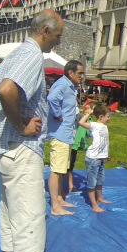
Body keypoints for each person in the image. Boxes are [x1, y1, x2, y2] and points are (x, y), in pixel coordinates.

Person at [0, 9, 66, 252]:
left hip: (4, 150)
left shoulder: (16, 54)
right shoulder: (30, 56)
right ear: (45, 30)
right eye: (58, 35)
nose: (58, 41)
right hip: (21, 150)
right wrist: (19, 124)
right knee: (28, 217)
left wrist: (2, 117)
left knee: (8, 213)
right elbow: (4, 89)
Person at [46, 59, 84, 216]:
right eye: (80, 73)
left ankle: (60, 198)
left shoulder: (71, 86)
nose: (82, 76)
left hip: (67, 133)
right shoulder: (62, 84)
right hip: (60, 133)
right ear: (71, 73)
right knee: (56, 170)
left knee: (62, 169)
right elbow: (51, 98)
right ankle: (55, 206)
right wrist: (57, 114)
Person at [78, 103, 112, 212]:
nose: (109, 118)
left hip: (100, 158)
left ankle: (100, 198)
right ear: (101, 117)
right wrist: (89, 113)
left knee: (100, 180)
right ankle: (94, 204)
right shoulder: (93, 125)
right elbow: (81, 122)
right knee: (92, 182)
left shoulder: (103, 125)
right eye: (108, 116)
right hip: (92, 159)